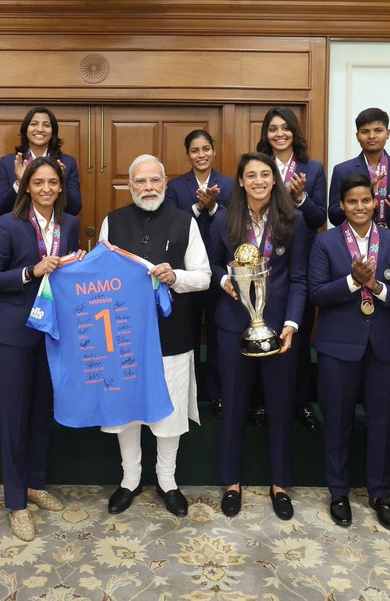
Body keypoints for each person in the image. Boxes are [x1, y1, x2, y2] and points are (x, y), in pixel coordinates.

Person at [100, 154, 210, 518]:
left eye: (154, 181)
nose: (148, 188)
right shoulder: (112, 223)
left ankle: (167, 480)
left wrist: (175, 276)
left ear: (165, 183)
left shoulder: (185, 221)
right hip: (124, 336)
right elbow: (99, 277)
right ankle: (130, 478)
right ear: (129, 186)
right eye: (140, 182)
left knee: (170, 409)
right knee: (127, 409)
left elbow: (204, 276)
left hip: (172, 333)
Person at [0, 156, 80, 541]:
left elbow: (64, 276)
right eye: (39, 182)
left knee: (41, 412)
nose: (46, 189)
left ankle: (35, 484)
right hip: (14, 333)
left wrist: (74, 264)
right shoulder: (8, 224)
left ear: (61, 187)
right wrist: (29, 271)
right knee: (15, 418)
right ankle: (16, 502)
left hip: (52, 332)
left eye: (53, 182)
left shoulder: (68, 225)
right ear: (27, 187)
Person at [309, 174, 390, 531]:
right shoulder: (325, 243)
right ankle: (338, 492)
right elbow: (318, 294)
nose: (359, 207)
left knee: (383, 424)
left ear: (376, 203)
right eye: (351, 201)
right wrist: (355, 282)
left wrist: (377, 286)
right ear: (341, 205)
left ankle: (380, 494)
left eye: (365, 201)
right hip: (338, 347)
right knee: (337, 422)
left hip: (385, 348)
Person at [208, 152, 309, 520]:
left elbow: (299, 278)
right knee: (233, 403)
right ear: (240, 181)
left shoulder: (293, 221)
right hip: (235, 325)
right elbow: (212, 264)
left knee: (281, 405)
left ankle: (280, 483)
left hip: (279, 326)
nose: (259, 181)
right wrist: (224, 280)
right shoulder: (223, 219)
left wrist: (293, 324)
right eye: (251, 175)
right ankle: (231, 482)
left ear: (274, 179)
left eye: (265, 174)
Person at [257, 106, 324, 428]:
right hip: (260, 264)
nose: (279, 134)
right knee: (259, 328)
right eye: (272, 128)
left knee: (296, 332)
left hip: (299, 264)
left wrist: (300, 199)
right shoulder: (258, 166)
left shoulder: (313, 169)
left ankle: (301, 402)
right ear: (265, 134)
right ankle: (260, 401)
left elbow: (318, 219)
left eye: (285, 128)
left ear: (294, 132)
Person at [164, 130, 234, 418]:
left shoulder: (229, 185)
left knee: (218, 335)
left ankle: (217, 394)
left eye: (206, 149)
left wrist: (214, 206)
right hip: (185, 273)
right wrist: (196, 207)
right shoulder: (176, 187)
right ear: (187, 154)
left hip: (219, 272)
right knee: (187, 335)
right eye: (195, 150)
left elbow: (236, 220)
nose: (201, 155)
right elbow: (170, 223)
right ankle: (188, 395)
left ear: (214, 151)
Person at [328, 108, 390, 232]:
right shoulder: (342, 170)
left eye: (378, 131)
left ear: (388, 133)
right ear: (357, 136)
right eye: (365, 131)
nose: (372, 136)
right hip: (353, 242)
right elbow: (334, 217)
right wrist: (360, 195)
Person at [0, 106, 82, 216]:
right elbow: (0, 209)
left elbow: (75, 209)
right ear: (25, 129)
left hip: (55, 228)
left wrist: (59, 180)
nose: (40, 129)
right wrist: (19, 183)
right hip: (18, 229)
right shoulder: (8, 162)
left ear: (53, 132)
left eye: (46, 125)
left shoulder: (68, 163)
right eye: (34, 124)